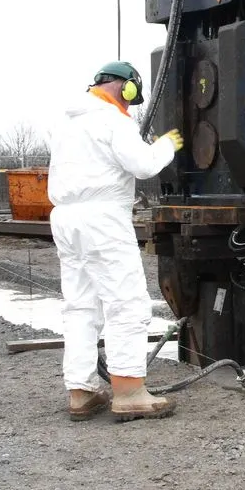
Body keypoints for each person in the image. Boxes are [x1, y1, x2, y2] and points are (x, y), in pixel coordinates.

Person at [47, 61, 183, 421]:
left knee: (80, 305)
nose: (131, 104)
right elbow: (143, 165)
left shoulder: (67, 123)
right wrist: (166, 145)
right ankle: (129, 391)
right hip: (102, 218)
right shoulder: (113, 120)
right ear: (127, 88)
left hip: (65, 217)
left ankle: (81, 390)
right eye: (132, 96)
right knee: (127, 303)